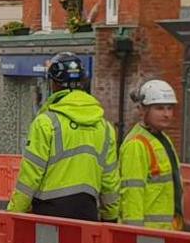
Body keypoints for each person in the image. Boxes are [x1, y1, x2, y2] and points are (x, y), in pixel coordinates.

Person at [7, 55, 120, 221]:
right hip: (87, 213)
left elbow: (30, 175)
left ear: (54, 83)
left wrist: (13, 214)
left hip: (49, 214)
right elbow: (110, 180)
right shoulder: (105, 127)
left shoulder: (46, 122)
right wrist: (111, 217)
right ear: (83, 82)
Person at [117, 79, 182, 230]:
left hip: (168, 229)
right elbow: (132, 192)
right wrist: (133, 232)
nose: (167, 114)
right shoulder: (137, 144)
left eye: (170, 108)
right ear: (142, 110)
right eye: (159, 108)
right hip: (148, 233)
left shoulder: (162, 139)